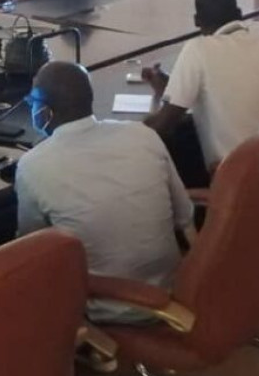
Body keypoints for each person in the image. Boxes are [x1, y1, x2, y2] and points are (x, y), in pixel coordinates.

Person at [15, 61, 194, 324]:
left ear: (45, 110)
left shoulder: (32, 166)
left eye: (32, 103)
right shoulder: (142, 135)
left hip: (110, 305)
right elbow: (185, 215)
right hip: (175, 286)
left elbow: (31, 249)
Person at [142, 0, 259, 175]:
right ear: (239, 13)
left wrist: (152, 107)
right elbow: (231, 78)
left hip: (248, 186)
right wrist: (171, 87)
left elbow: (162, 128)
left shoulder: (197, 49)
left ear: (197, 21)